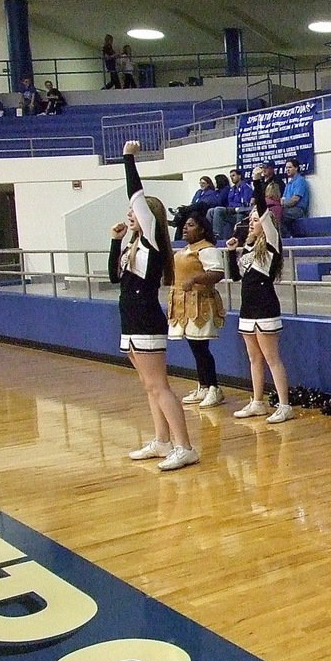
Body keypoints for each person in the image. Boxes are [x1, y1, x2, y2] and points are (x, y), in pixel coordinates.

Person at [108, 140, 199, 472]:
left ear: (149, 219)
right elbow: (114, 278)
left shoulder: (151, 242)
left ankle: (184, 446)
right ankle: (162, 440)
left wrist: (128, 158)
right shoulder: (134, 246)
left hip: (146, 319)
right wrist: (115, 240)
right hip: (130, 318)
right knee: (149, 386)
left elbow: (135, 195)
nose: (131, 214)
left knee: (159, 386)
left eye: (137, 212)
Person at [225, 191, 294, 425]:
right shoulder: (249, 247)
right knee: (254, 359)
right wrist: (231, 252)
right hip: (248, 310)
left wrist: (256, 185)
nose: (252, 223)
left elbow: (264, 213)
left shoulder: (272, 245)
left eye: (256, 220)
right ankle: (257, 401)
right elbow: (235, 277)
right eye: (250, 220)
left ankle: (284, 405)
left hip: (265, 308)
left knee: (271, 358)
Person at [170, 212, 227, 409]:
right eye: (185, 225)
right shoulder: (186, 249)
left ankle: (214, 388)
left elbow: (217, 273)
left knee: (202, 349)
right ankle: (203, 386)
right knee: (195, 348)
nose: (185, 228)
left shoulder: (207, 249)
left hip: (200, 304)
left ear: (202, 229)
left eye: (191, 225)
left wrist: (195, 279)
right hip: (184, 305)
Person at [172, 176, 224, 241]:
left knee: (195, 206)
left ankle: (179, 211)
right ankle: (177, 234)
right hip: (194, 210)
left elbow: (206, 203)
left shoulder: (211, 192)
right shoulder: (198, 192)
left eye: (203, 183)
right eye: (200, 183)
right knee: (183, 217)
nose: (201, 185)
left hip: (203, 210)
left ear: (208, 184)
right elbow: (193, 202)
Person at [211, 168, 254, 241]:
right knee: (216, 210)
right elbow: (230, 202)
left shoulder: (246, 187)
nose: (231, 178)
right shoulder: (232, 189)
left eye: (233, 175)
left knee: (240, 215)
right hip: (232, 210)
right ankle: (216, 235)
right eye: (230, 176)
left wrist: (235, 206)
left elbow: (245, 203)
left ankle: (237, 238)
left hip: (242, 212)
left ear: (239, 176)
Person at [279, 158, 310, 238]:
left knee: (280, 214)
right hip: (289, 210)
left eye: (290, 167)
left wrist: (284, 203)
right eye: (286, 168)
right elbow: (282, 199)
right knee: (276, 213)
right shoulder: (289, 184)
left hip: (298, 210)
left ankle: (289, 237)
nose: (287, 170)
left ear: (296, 168)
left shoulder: (300, 181)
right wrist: (284, 202)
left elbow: (294, 200)